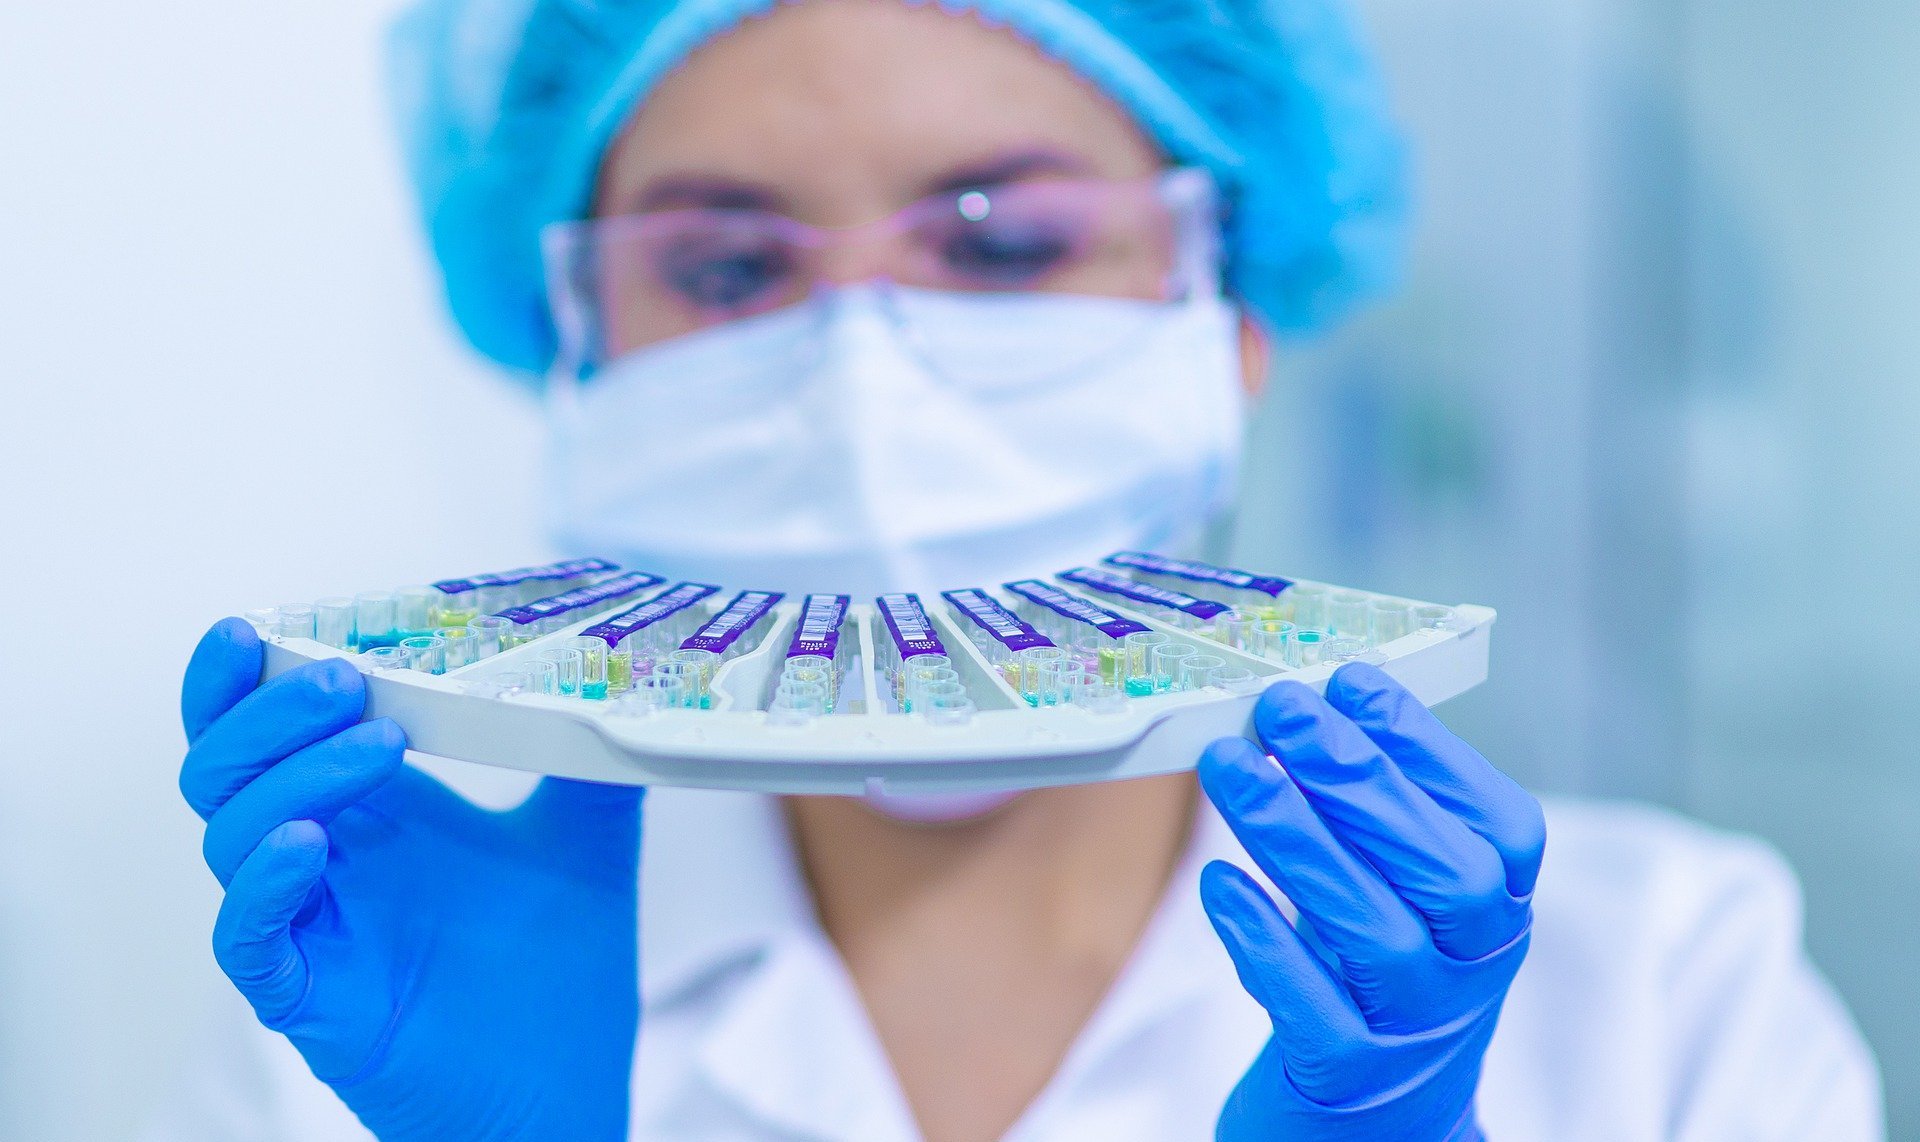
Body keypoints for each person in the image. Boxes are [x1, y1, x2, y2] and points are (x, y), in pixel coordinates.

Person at [157, 0, 1884, 1139]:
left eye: (1008, 241)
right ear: (579, 353)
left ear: (1235, 313)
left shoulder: (1668, 991)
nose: (863, 388)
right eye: (729, 269)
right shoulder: (366, 1012)